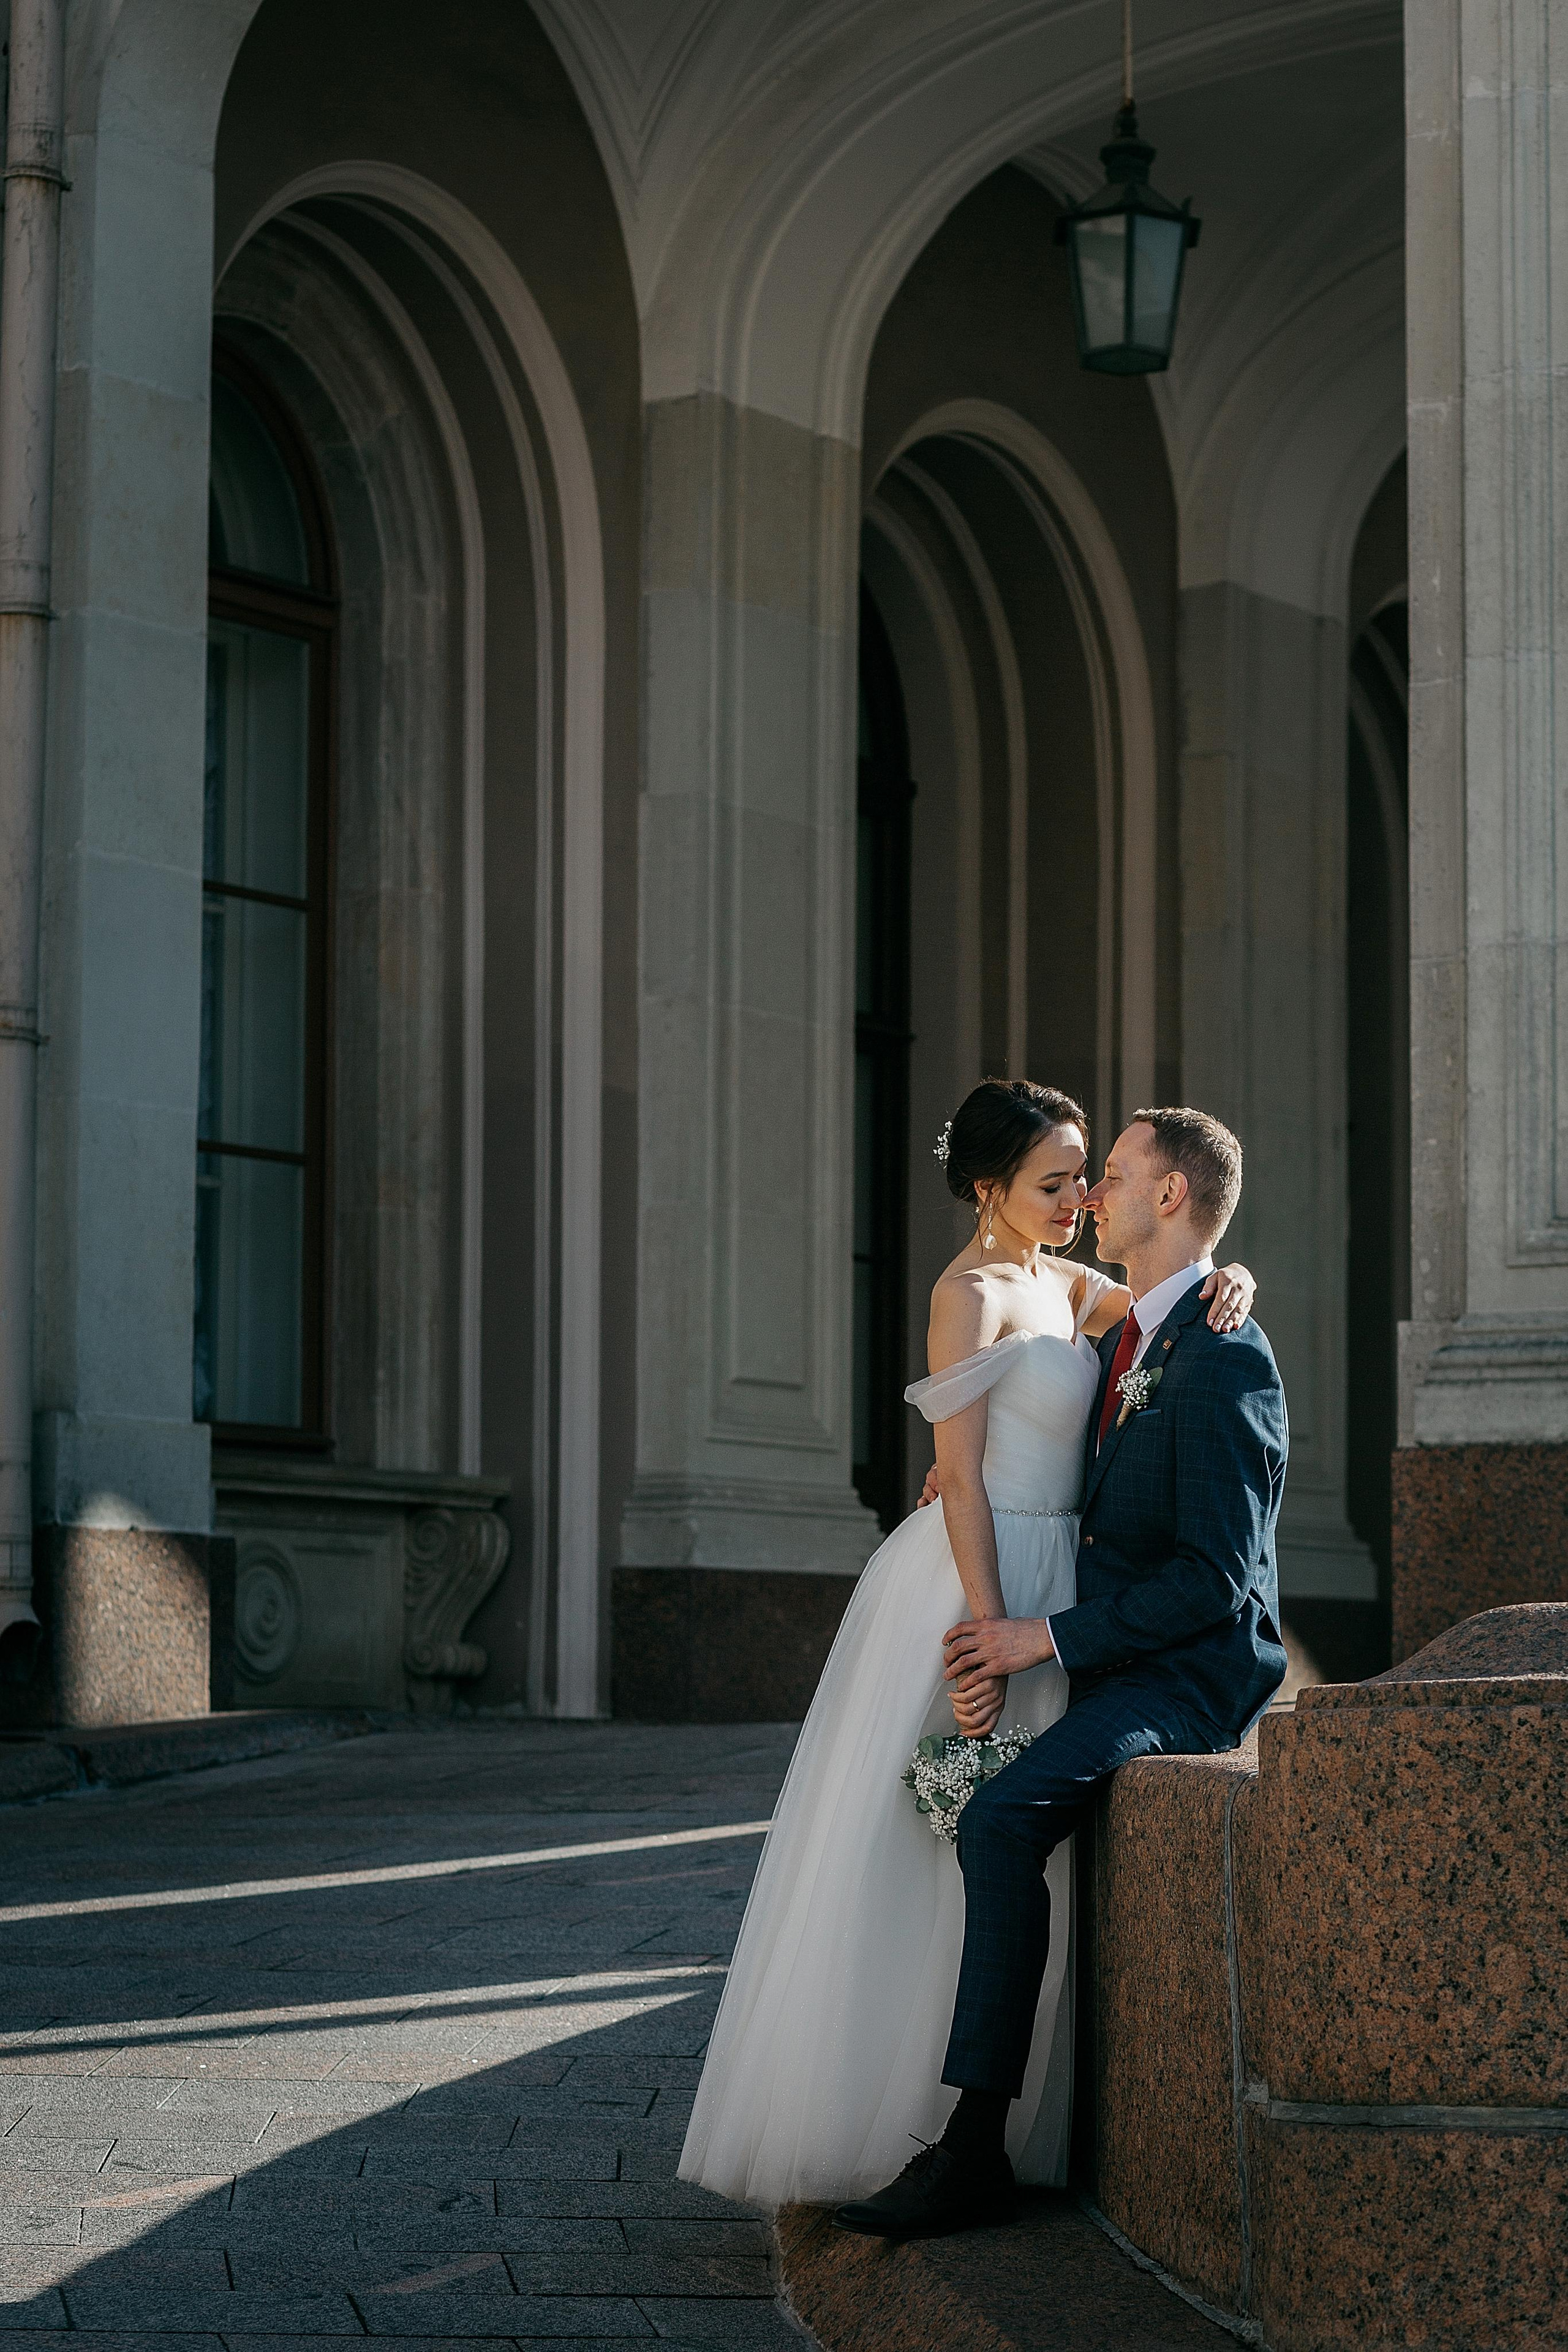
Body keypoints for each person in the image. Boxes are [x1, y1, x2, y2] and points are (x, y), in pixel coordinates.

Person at [677, 1081, 1260, 2208]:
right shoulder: (972, 1292)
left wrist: (1238, 1274)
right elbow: (960, 1481)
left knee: (1016, 1833)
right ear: (991, 1190)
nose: (1080, 1198)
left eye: (1090, 1175)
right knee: (937, 1833)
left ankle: (1016, 2118)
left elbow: (1164, 1309)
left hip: (1065, 1583)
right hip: (976, 1576)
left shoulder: (1072, 1284)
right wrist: (989, 1639)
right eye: (1055, 1182)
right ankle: (902, 2113)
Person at [834, 1101, 1287, 2241]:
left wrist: (1040, 1640)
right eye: (1074, 1179)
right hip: (1094, 1629)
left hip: (1180, 1674)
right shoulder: (1128, 1328)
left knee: (999, 1818)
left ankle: (977, 2144)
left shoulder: (1223, 1353)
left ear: (1169, 1196)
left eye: (1113, 1175)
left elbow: (1218, 1583)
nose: (1091, 1197)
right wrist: (965, 1476)